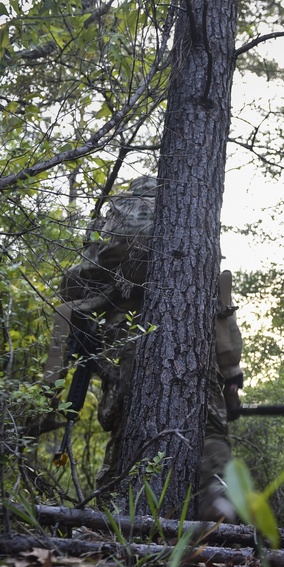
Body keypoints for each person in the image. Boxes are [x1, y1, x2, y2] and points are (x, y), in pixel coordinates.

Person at [43, 175, 243, 521]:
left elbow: (79, 283)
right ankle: (217, 497)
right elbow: (220, 302)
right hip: (195, 335)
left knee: (129, 425)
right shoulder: (191, 220)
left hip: (127, 333)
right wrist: (232, 375)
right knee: (211, 425)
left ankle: (119, 508)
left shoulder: (117, 217)